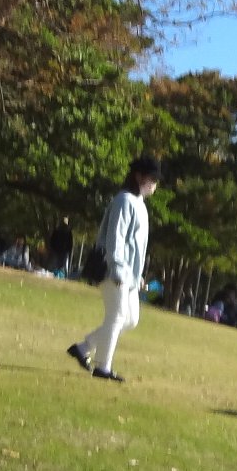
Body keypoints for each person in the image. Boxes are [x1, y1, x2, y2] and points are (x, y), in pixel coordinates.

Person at [67, 156, 161, 382]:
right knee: (116, 317)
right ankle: (103, 367)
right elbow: (115, 238)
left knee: (130, 319)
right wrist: (117, 269)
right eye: (152, 178)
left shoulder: (139, 204)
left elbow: (136, 247)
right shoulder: (124, 200)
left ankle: (84, 347)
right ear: (138, 177)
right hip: (114, 271)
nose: (154, 184)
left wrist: (136, 276)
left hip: (129, 275)